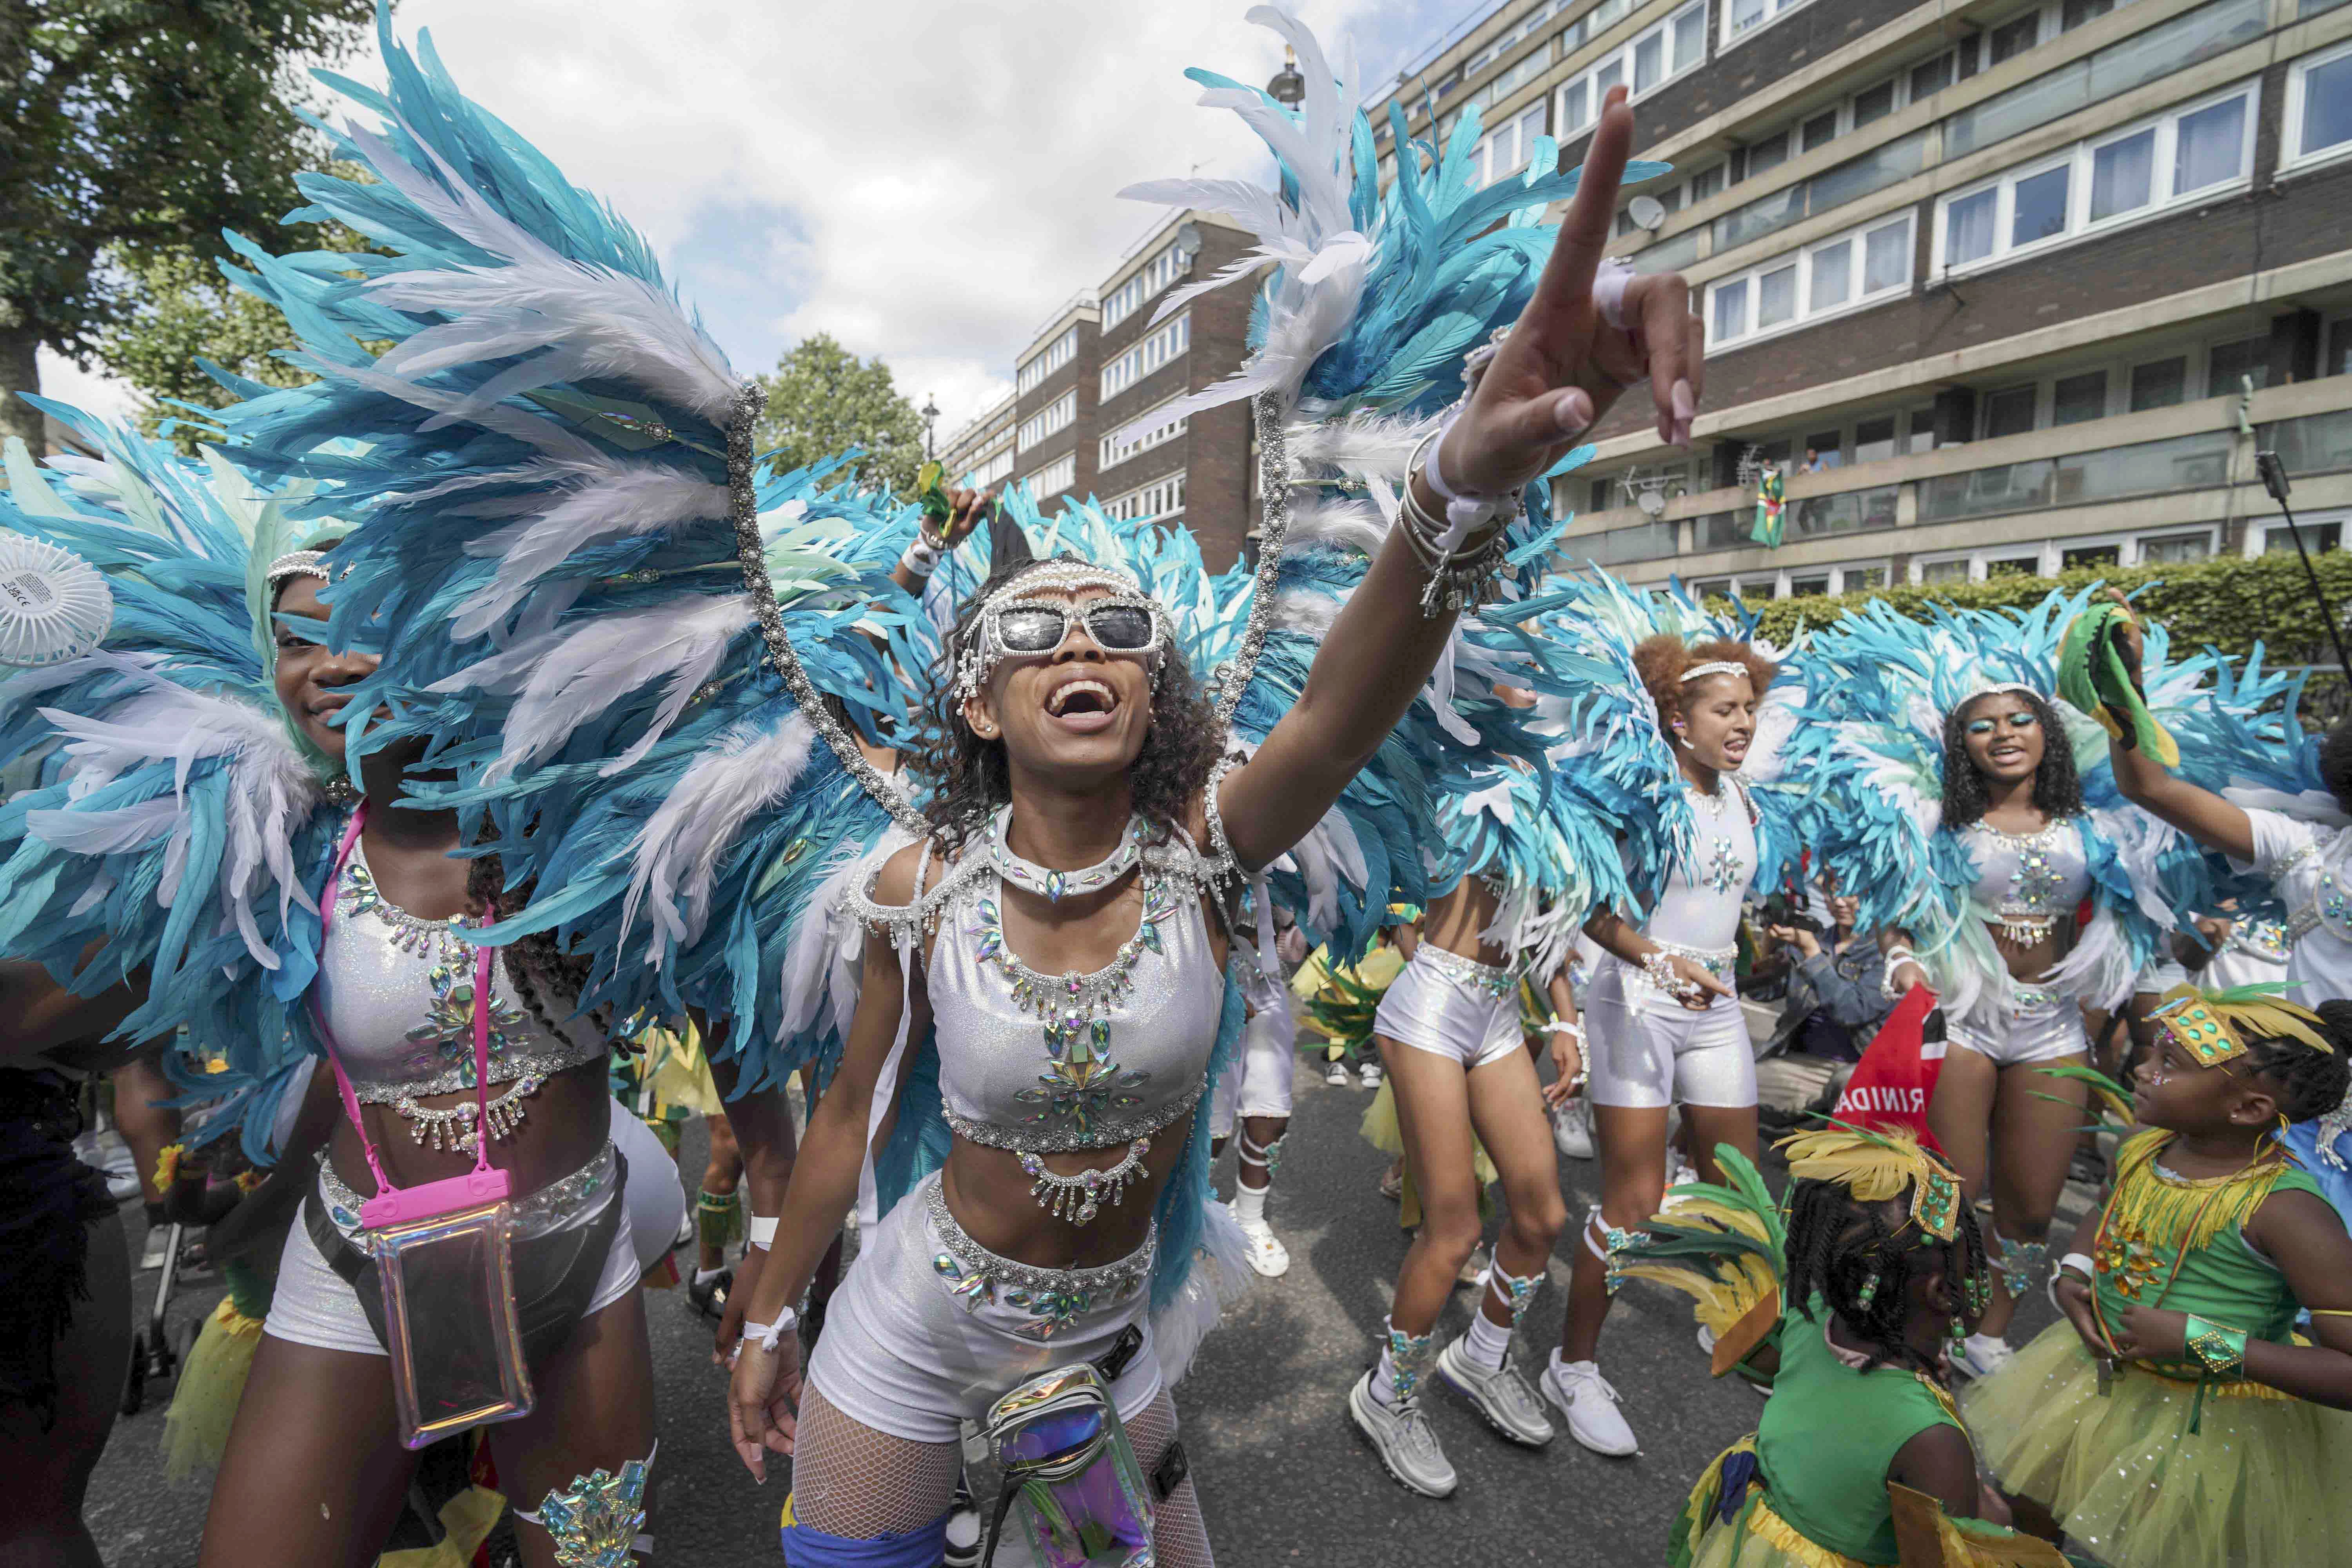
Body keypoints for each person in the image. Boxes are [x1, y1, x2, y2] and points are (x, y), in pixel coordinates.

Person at [0, 413, 712, 1568]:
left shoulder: (584, 832)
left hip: (576, 1263)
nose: (329, 663)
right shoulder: (257, 855)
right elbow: (42, 1003)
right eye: (297, 638)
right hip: (356, 1263)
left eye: (373, 628)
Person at [1793, 593, 2203, 1381]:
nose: (2003, 734)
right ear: (1960, 743)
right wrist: (1902, 962)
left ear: (2049, 731)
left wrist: (2127, 675)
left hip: (2053, 1023)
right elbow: (1897, 912)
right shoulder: (1937, 820)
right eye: (1982, 725)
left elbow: (2136, 912)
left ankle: (1990, 1329)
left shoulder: (2100, 822)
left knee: (2032, 1209)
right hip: (1964, 1013)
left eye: (2019, 719)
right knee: (1949, 1190)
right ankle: (1919, 1320)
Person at [1965, 987, 2352, 1566]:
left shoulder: (2289, 1213)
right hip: (2090, 1390)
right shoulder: (2145, 1147)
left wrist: (2201, 1344)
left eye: (2168, 1064)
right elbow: (2106, 1207)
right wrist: (2076, 1273)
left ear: (2247, 1109)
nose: (2142, 1070)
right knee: (2034, 1514)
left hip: (2211, 1433)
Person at [1350, 683, 1624, 1497]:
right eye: (1507, 667)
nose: (1528, 683)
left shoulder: (1552, 792)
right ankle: (1387, 1395)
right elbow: (1393, 877)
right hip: (1432, 1003)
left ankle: (1481, 1356)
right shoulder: (1437, 768)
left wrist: (1569, 1026)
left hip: (1502, 1012)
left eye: (1537, 674)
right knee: (1455, 1224)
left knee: (1541, 1216)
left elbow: (1558, 926)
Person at [1547, 601, 1804, 1457]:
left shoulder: (1744, 800)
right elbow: (1593, 911)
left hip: (1718, 1004)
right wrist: (1661, 960)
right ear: (1676, 719)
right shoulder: (1643, 794)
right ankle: (1573, 1364)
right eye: (1723, 709)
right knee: (1633, 1201)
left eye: (1748, 708)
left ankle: (1726, 1317)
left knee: (1740, 1183)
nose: (1742, 721)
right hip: (1638, 1003)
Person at [1623, 1125, 2065, 1568]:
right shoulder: (1931, 1438)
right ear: (1941, 1293)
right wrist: (1995, 1515)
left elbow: (1774, 1375)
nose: (1983, 1281)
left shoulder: (1810, 1313)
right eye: (1976, 1266)